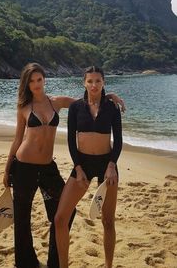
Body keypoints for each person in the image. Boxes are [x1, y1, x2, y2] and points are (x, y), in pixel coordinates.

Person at [3, 63, 124, 268]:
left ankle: (55, 263)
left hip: (50, 167)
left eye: (39, 79)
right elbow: (17, 140)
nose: (36, 84)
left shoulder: (56, 102)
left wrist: (108, 95)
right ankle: (27, 263)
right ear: (26, 83)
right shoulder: (24, 107)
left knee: (73, 216)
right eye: (31, 81)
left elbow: (88, 101)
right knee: (23, 217)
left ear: (44, 80)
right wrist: (7, 169)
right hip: (24, 166)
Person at [55, 66, 123, 268]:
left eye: (98, 81)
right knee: (60, 218)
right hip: (82, 165)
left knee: (108, 222)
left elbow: (118, 141)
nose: (94, 85)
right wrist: (77, 168)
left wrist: (112, 165)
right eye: (90, 81)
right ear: (83, 83)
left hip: (107, 166)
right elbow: (70, 141)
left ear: (103, 83)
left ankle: (108, 265)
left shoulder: (112, 108)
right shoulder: (76, 107)